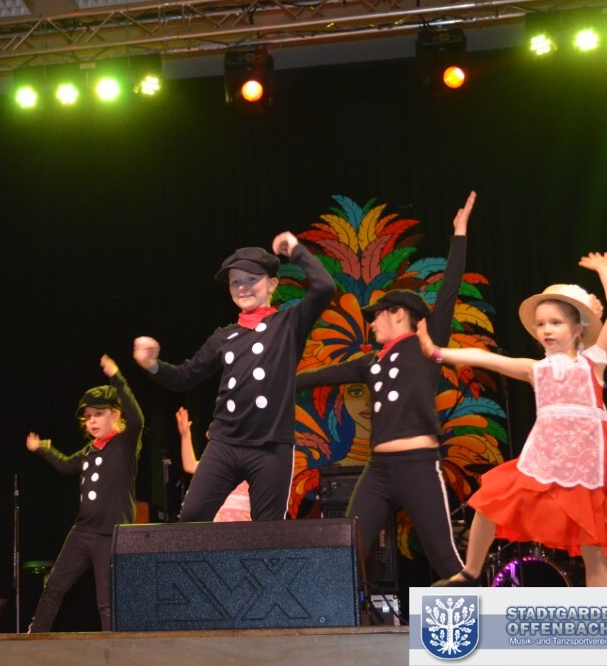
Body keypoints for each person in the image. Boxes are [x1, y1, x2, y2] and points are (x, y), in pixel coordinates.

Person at [420, 253, 607, 587]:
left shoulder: (593, 363)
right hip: (545, 460)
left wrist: (605, 270)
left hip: (587, 465)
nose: (546, 330)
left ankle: (602, 613)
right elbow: (484, 358)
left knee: (593, 549)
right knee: (489, 499)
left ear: (578, 327)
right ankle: (469, 572)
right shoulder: (535, 369)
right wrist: (437, 352)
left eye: (556, 322)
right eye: (541, 324)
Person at [294, 192, 476, 584]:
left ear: (398, 314)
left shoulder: (426, 343)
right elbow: (316, 377)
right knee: (349, 551)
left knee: (445, 558)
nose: (372, 323)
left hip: (418, 466)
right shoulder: (370, 361)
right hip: (378, 470)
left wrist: (459, 235)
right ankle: (349, 616)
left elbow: (449, 291)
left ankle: (484, 619)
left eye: (376, 316)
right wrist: (278, 382)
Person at [134, 232, 334, 522]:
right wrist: (152, 364)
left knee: (267, 531)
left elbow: (325, 288)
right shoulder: (224, 337)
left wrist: (295, 249)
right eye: (235, 281)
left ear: (272, 284)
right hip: (225, 444)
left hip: (270, 446)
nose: (243, 287)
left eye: (252, 279)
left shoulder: (288, 324)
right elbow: (184, 377)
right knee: (191, 518)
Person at [26, 355, 143, 632]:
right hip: (82, 531)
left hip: (109, 535)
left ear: (116, 415)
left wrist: (117, 377)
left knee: (106, 601)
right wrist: (43, 449)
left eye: (98, 414)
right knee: (54, 586)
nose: (92, 421)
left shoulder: (125, 444)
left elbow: (137, 417)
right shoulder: (89, 450)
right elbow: (66, 465)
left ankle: (111, 648)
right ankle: (35, 636)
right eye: (88, 417)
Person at [174, 407, 250, 521]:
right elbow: (190, 465)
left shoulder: (252, 464)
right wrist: (186, 435)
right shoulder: (220, 467)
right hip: (218, 527)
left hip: (245, 527)